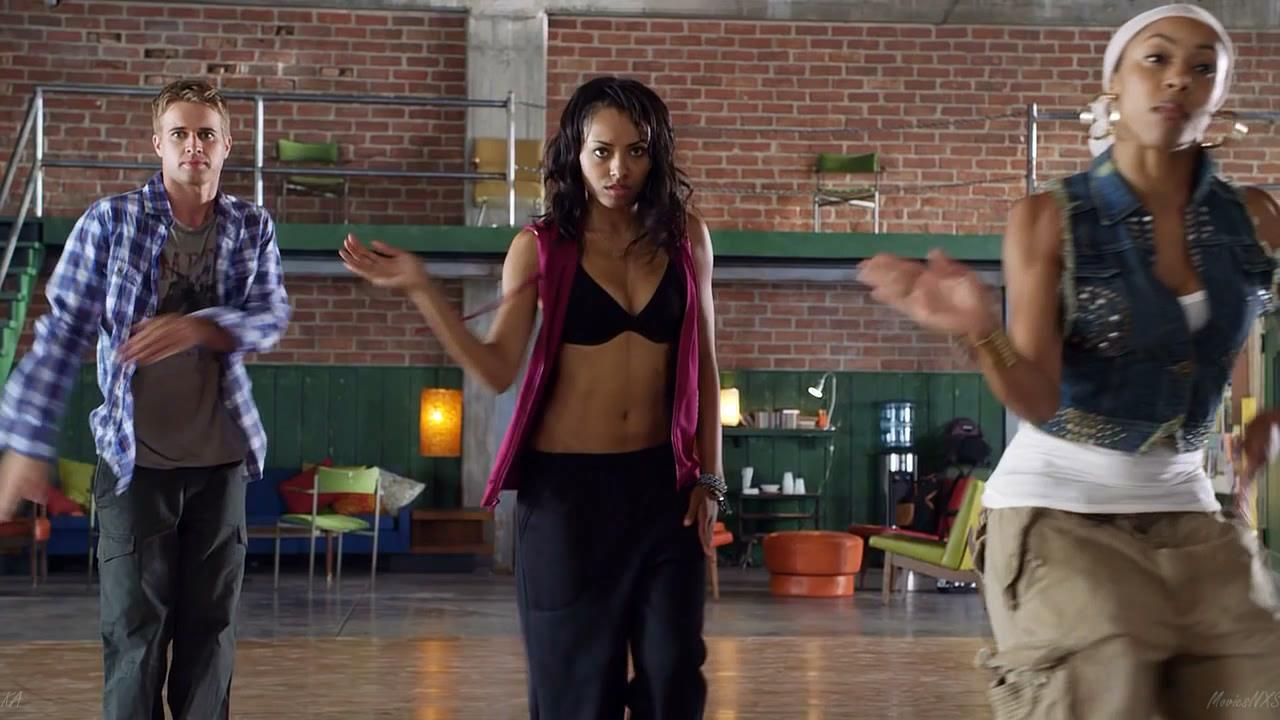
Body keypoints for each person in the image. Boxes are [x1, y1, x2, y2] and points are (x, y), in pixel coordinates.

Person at [859, 5, 1280, 718]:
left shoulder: (1254, 218)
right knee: (1106, 675)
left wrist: (1270, 421)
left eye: (1203, 67)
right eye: (1157, 58)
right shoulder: (1050, 218)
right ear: (1114, 83)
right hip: (1058, 513)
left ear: (1218, 97)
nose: (1178, 78)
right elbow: (1039, 398)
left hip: (1185, 512)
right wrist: (980, 329)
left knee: (1256, 687)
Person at [340, 76, 723, 719]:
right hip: (568, 497)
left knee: (674, 679)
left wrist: (710, 478)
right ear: (575, 152)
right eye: (602, 151)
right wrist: (422, 290)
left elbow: (705, 362)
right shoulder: (541, 247)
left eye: (636, 151)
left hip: (663, 489)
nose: (619, 169)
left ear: (657, 154)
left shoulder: (687, 238)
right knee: (579, 693)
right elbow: (496, 369)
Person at [0, 79, 291, 719]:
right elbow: (60, 335)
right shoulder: (110, 222)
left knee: (210, 637)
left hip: (221, 465)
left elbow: (271, 316)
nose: (194, 146)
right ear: (157, 143)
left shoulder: (252, 226)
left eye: (207, 134)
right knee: (134, 638)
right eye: (180, 133)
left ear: (227, 145)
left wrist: (199, 327)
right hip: (134, 466)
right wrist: (25, 440)